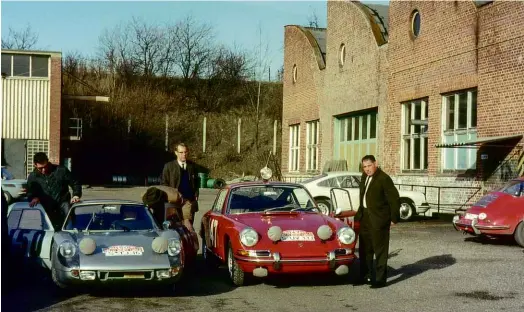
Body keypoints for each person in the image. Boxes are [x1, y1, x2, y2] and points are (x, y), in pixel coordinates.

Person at [354, 155, 400, 288]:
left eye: (369, 166)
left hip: (379, 219)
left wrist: (394, 218)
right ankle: (366, 276)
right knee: (365, 249)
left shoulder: (384, 178)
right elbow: (363, 196)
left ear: (375, 164)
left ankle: (380, 279)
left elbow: (394, 199)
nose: (367, 169)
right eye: (364, 167)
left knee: (380, 250)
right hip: (365, 217)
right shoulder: (364, 177)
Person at [26, 152, 82, 231]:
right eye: (40, 168)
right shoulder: (33, 177)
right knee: (50, 232)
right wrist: (33, 198)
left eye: (45, 166)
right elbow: (30, 191)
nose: (44, 170)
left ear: (48, 162)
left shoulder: (61, 170)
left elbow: (75, 182)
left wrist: (76, 195)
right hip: (46, 209)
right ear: (35, 165)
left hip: (63, 204)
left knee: (68, 230)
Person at [161, 143, 200, 232]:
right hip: (174, 202)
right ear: (176, 153)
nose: (184, 154)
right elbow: (164, 184)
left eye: (185, 152)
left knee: (188, 229)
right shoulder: (169, 167)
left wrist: (196, 194)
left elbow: (197, 183)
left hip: (190, 202)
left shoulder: (192, 166)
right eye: (181, 152)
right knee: (175, 229)